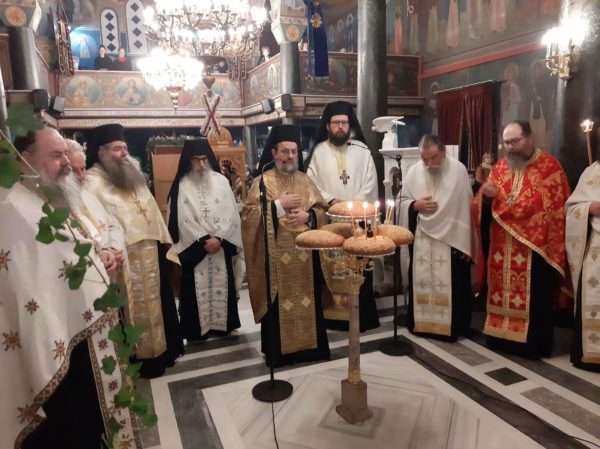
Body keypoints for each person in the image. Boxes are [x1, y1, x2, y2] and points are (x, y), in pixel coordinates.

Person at [1, 127, 138, 449]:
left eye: (65, 153)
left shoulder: (51, 195)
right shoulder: (14, 209)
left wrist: (104, 255)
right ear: (24, 159)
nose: (65, 162)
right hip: (60, 336)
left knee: (91, 414)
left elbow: (83, 243)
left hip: (85, 326)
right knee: (72, 420)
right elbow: (26, 281)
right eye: (56, 155)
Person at [85, 124, 183, 377]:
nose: (124, 154)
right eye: (117, 149)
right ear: (101, 152)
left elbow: (150, 210)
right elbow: (92, 223)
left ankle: (164, 352)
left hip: (151, 251)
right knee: (131, 309)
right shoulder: (91, 183)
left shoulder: (132, 177)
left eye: (125, 148)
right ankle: (140, 359)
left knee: (159, 305)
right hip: (124, 259)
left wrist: (163, 242)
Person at [473, 120, 570, 358]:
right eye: (506, 142)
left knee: (536, 299)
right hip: (501, 248)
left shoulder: (550, 167)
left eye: (514, 141)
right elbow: (481, 205)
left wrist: (518, 212)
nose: (509, 147)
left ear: (529, 138)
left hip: (535, 250)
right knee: (501, 294)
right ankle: (501, 338)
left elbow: (556, 210)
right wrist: (486, 198)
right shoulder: (500, 167)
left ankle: (531, 345)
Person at [241, 125, 330, 367]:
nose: (289, 156)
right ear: (274, 153)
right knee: (278, 305)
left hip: (305, 260)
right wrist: (278, 205)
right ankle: (279, 354)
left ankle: (311, 350)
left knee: (309, 301)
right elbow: (248, 218)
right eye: (284, 151)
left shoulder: (305, 180)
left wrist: (309, 216)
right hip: (275, 263)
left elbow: (322, 210)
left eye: (293, 151)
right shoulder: (262, 182)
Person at [306, 100, 380, 332]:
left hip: (358, 221)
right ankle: (334, 317)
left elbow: (370, 182)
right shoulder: (318, 152)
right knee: (332, 266)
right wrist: (331, 200)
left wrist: (354, 205)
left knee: (359, 266)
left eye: (344, 123)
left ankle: (362, 316)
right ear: (328, 126)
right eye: (336, 123)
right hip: (330, 221)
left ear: (350, 125)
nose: (340, 127)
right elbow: (311, 182)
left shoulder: (363, 151)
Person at [167, 139, 244, 340]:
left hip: (220, 246)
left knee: (223, 284)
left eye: (204, 159)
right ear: (188, 161)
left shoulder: (222, 181)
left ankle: (223, 325)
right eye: (196, 160)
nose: (201, 164)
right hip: (195, 249)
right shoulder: (182, 185)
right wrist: (203, 241)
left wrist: (219, 238)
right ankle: (196, 330)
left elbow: (231, 212)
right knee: (193, 290)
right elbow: (181, 218)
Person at [399, 135, 474, 339]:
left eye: (434, 158)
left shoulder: (458, 170)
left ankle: (452, 326)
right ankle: (422, 323)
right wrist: (414, 205)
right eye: (425, 159)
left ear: (443, 151)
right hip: (422, 239)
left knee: (452, 284)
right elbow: (401, 201)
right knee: (421, 279)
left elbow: (467, 208)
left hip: (451, 240)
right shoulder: (414, 172)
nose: (429, 164)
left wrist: (467, 241)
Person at [65, 139, 126, 282]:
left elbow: (113, 225)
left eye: (83, 169)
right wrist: (101, 256)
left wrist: (113, 248)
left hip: (110, 272)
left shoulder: (88, 196)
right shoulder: (54, 205)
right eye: (73, 171)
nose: (81, 177)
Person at [565, 163, 600, 372]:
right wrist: (589, 208)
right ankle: (590, 354)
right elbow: (571, 208)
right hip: (595, 248)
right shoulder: (592, 171)